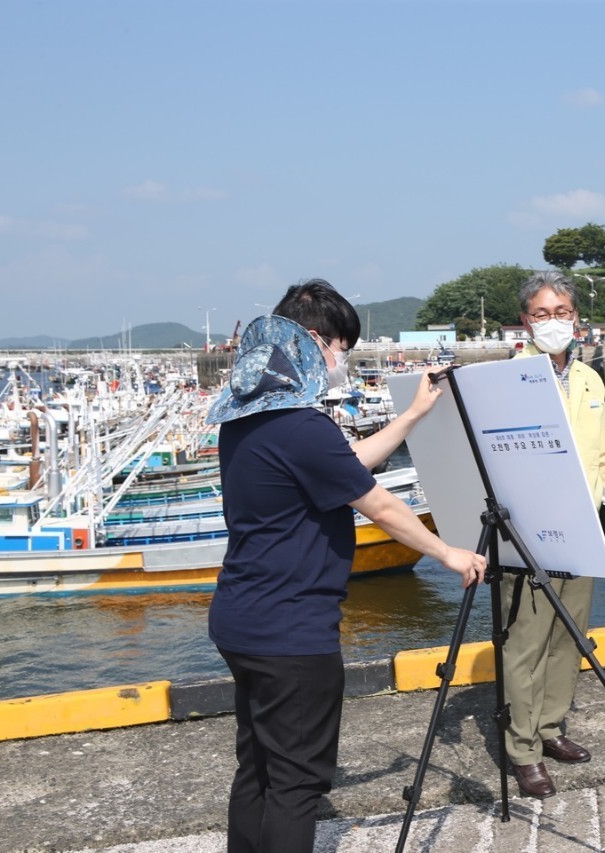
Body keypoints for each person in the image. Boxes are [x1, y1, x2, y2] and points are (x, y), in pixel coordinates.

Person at [205, 279, 487, 852]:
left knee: (257, 766)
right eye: (340, 345)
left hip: (241, 618)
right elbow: (377, 502)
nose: (341, 359)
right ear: (313, 340)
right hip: (292, 631)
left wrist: (409, 418)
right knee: (297, 783)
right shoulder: (302, 426)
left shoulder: (245, 423)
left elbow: (344, 464)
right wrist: (447, 552)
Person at [503, 271, 605, 799]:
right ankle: (522, 748)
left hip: (583, 524)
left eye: (563, 312)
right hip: (527, 531)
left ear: (577, 316)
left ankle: (551, 728)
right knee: (525, 642)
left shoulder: (591, 378)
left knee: (569, 636)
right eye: (542, 314)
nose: (554, 322)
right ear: (526, 320)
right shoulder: (510, 377)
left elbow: (603, 457)